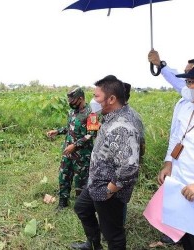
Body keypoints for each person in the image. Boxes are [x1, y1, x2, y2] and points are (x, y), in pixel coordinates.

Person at [72, 75, 142, 250]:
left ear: (111, 99)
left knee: (113, 234)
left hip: (108, 189)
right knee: (82, 208)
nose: (92, 101)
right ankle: (94, 244)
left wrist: (110, 190)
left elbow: (129, 166)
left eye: (96, 97)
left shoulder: (122, 126)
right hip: (96, 182)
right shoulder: (109, 116)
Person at [148, 49, 194, 245]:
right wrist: (169, 163)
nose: (186, 85)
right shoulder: (186, 105)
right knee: (189, 238)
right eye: (186, 80)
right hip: (183, 185)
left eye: (191, 80)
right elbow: (177, 139)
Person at [46, 87, 95, 210]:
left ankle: (81, 206)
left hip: (82, 155)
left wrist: (75, 145)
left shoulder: (91, 113)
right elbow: (70, 128)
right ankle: (63, 202)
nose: (70, 103)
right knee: (64, 176)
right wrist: (57, 131)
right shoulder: (72, 112)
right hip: (68, 153)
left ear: (81, 98)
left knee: (81, 182)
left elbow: (91, 134)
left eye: (72, 101)